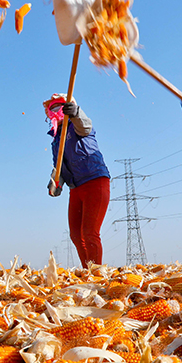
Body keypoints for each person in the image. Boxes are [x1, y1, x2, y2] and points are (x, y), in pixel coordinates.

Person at [45, 95, 111, 267]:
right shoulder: (55, 140)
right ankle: (87, 270)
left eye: (57, 107)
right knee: (76, 235)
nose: (54, 112)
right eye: (51, 109)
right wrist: (55, 181)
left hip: (94, 180)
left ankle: (96, 274)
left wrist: (76, 113)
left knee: (90, 232)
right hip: (76, 188)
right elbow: (58, 166)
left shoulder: (76, 125)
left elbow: (85, 126)